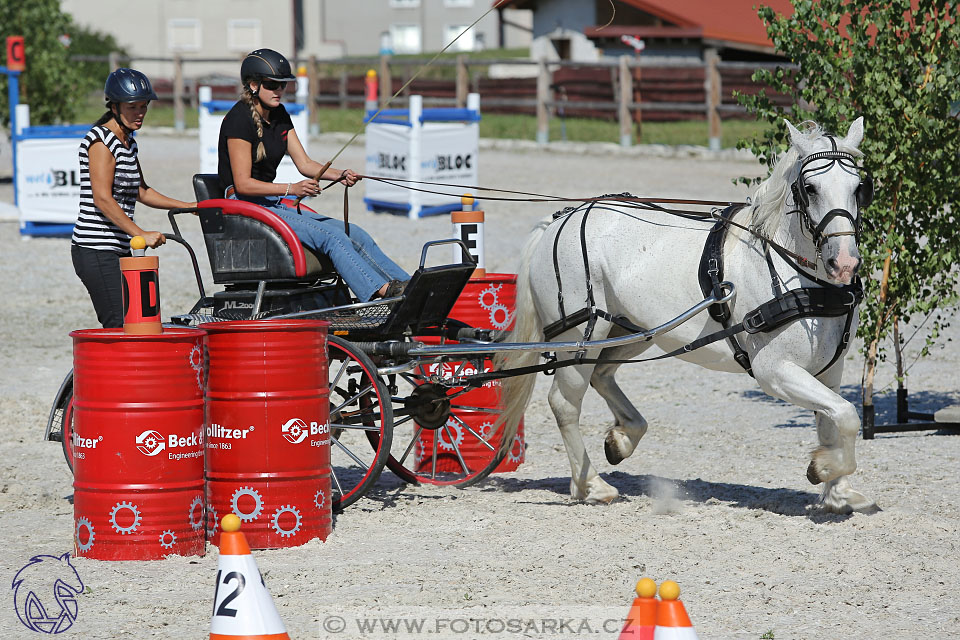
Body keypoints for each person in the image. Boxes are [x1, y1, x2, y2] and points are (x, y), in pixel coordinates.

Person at [218, 48, 409, 302]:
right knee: (332, 237)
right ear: (253, 85)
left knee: (356, 233)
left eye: (283, 85)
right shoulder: (238, 120)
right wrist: (292, 189)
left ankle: (408, 286)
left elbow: (305, 163)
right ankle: (382, 294)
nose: (279, 90)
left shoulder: (280, 115)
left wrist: (340, 174)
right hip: (242, 206)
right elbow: (243, 185)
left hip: (268, 203)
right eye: (272, 84)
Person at [72, 68, 195, 328]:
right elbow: (102, 199)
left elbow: (141, 191)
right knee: (120, 325)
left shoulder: (128, 142)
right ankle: (94, 369)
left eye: (144, 106)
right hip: (95, 249)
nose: (140, 114)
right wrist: (141, 233)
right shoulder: (101, 141)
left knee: (135, 323)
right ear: (114, 106)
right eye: (133, 107)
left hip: (118, 248)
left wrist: (187, 206)